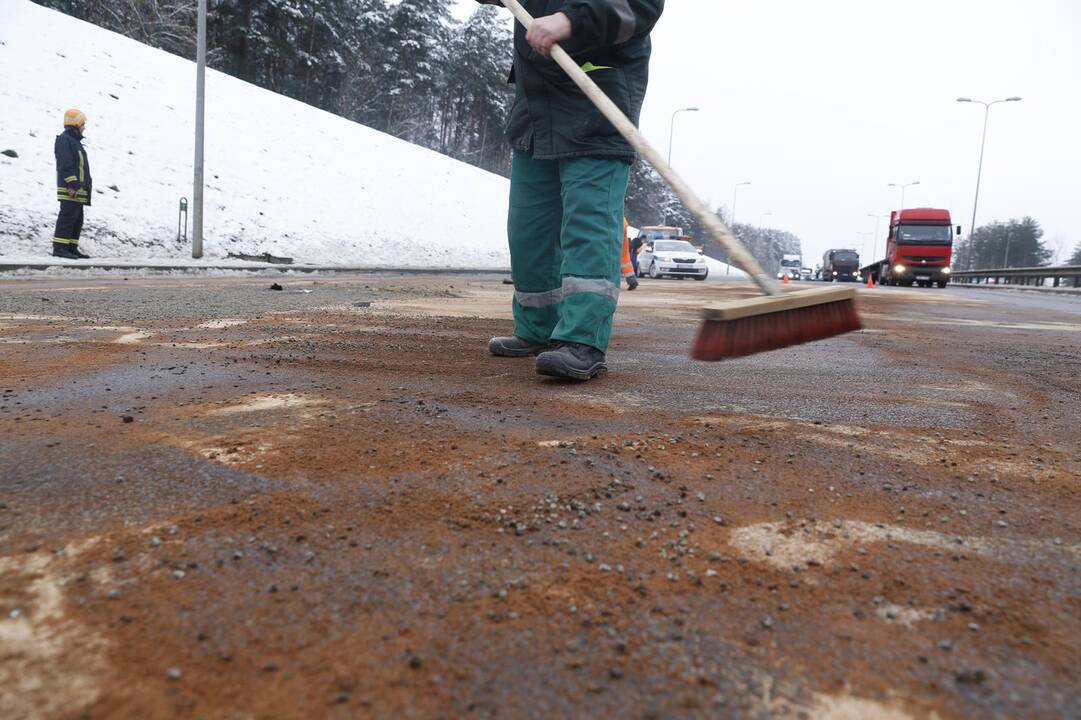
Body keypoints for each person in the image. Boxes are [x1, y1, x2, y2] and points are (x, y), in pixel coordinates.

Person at [482, 0, 664, 381]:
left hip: (596, 98)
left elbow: (640, 6)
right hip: (536, 105)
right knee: (529, 230)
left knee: (588, 223)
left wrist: (569, 21)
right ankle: (538, 328)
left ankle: (583, 339)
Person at [53, 109, 92, 259]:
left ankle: (71, 247)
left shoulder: (75, 142)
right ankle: (60, 248)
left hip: (78, 189)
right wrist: (72, 184)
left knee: (77, 219)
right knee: (67, 218)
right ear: (76, 124)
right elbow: (65, 164)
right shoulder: (64, 140)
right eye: (83, 124)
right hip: (71, 188)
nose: (84, 127)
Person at [621, 218, 638, 290]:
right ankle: (632, 281)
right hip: (624, 243)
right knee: (626, 262)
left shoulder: (616, 215)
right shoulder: (622, 218)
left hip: (618, 242)